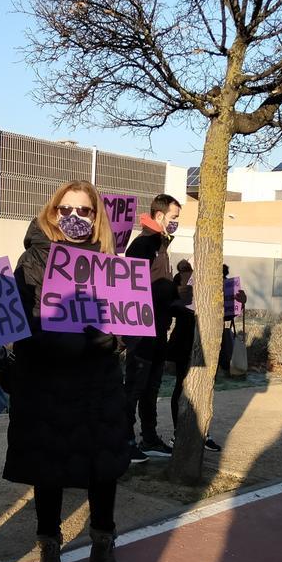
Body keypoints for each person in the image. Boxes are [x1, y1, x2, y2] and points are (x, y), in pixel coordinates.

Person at [5, 180, 131, 562]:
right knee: (50, 468)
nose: (74, 218)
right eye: (66, 210)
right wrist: (75, 340)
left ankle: (103, 543)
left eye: (84, 211)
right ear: (52, 212)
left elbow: (129, 322)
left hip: (99, 384)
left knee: (104, 467)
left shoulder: (113, 262)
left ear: (98, 218)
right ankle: (49, 546)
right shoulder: (33, 260)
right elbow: (24, 325)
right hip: (50, 381)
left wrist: (116, 339)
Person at [124, 194, 183, 460]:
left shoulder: (161, 244)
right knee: (136, 386)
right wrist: (172, 291)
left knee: (152, 386)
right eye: (174, 218)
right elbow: (134, 288)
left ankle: (149, 437)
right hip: (141, 329)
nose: (176, 223)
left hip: (158, 326)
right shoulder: (143, 244)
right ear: (159, 216)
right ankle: (125, 440)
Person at [167, 259, 227, 452]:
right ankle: (178, 433)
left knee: (205, 387)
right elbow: (171, 306)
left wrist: (237, 303)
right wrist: (184, 300)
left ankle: (203, 433)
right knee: (182, 386)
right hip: (185, 341)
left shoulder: (216, 281)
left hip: (208, 342)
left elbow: (224, 313)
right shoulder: (181, 279)